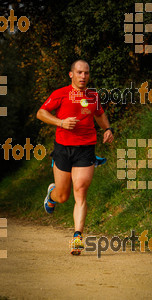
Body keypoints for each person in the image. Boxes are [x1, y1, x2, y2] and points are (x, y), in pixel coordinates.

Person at [36, 60, 114, 255]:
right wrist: (61, 123)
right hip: (63, 148)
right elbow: (41, 113)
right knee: (63, 196)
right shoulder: (60, 94)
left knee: (80, 189)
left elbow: (99, 114)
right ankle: (51, 195)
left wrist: (108, 129)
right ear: (71, 74)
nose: (83, 76)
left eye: (86, 73)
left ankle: (77, 237)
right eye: (79, 73)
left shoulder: (93, 96)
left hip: (85, 148)